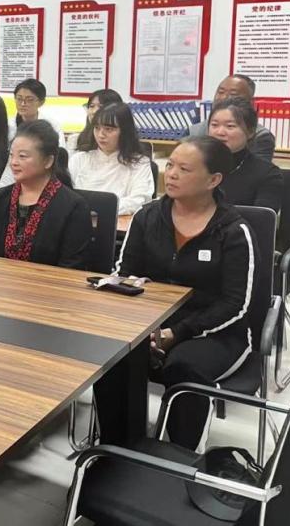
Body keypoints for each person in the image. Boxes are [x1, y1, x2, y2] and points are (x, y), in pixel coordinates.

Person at [95, 136, 256, 450]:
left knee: (184, 366)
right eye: (169, 165)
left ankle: (181, 457)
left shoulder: (233, 231)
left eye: (184, 169)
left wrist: (178, 332)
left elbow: (236, 303)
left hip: (216, 333)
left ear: (213, 180)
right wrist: (144, 322)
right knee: (115, 355)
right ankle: (118, 449)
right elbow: (125, 274)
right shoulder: (148, 217)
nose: (171, 174)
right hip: (152, 324)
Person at [0, 120, 90, 269]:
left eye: (22, 156)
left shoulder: (73, 207)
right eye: (11, 155)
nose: (13, 162)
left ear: (48, 161)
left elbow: (71, 268)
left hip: (48, 283)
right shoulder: (0, 198)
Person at [69, 103, 154, 215]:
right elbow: (67, 196)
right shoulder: (79, 159)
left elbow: (139, 201)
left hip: (117, 222)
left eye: (108, 129)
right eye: (97, 128)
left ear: (124, 131)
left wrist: (98, 208)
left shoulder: (140, 163)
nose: (101, 135)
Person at [207, 98, 283, 212]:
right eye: (214, 125)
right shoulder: (196, 165)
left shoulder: (267, 173)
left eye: (230, 126)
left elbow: (262, 219)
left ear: (250, 132)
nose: (220, 132)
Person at [187, 74, 276, 162]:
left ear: (250, 102)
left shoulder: (261, 136)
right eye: (221, 92)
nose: (224, 97)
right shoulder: (194, 132)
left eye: (233, 94)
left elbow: (259, 169)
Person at [12, 79, 65, 147]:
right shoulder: (9, 125)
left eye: (29, 100)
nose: (23, 104)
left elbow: (60, 150)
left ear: (41, 102)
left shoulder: (52, 125)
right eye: (19, 99)